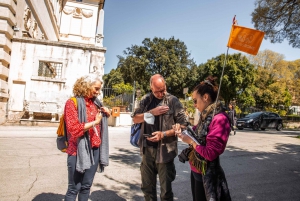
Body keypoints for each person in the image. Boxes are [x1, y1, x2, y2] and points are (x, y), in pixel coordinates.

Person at [132, 74, 188, 201]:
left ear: (165, 85)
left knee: (166, 192)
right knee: (147, 188)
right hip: (147, 151)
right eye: (158, 91)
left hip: (165, 151)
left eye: (163, 89)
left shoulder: (173, 101)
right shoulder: (146, 100)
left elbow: (184, 125)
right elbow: (135, 119)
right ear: (151, 88)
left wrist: (163, 134)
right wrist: (152, 112)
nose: (161, 93)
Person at [175, 76, 231, 201]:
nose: (194, 105)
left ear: (205, 97)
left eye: (195, 101)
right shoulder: (206, 115)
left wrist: (190, 141)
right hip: (196, 170)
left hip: (208, 175)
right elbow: (196, 131)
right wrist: (182, 131)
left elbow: (210, 153)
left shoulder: (220, 119)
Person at [64, 74, 110, 201]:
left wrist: (106, 113)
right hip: (77, 151)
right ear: (86, 86)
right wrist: (95, 122)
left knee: (86, 187)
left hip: (95, 149)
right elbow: (74, 129)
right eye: (96, 88)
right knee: (74, 188)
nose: (98, 92)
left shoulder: (95, 103)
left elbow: (101, 121)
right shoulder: (71, 103)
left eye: (99, 89)